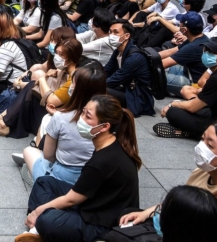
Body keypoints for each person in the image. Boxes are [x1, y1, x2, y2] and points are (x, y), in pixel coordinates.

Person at [16, 95, 141, 242]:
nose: (81, 119)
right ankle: (38, 229)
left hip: (103, 224)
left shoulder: (103, 160)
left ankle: (38, 228)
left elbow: (70, 200)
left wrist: (38, 211)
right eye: (82, 112)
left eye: (87, 116)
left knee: (46, 219)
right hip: (94, 204)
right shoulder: (110, 144)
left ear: (105, 126)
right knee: (44, 182)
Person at [122, 118, 217, 242]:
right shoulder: (206, 170)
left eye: (210, 145)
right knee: (127, 215)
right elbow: (182, 202)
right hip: (190, 227)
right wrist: (146, 213)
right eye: (202, 139)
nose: (201, 147)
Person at [23, 65, 107, 185]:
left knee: (29, 151)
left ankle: (40, 184)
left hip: (62, 179)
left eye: (72, 83)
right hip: (96, 181)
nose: (70, 86)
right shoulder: (112, 119)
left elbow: (49, 156)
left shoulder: (61, 118)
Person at [154, 37, 217, 138]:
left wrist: (173, 104)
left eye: (211, 52)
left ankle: (191, 132)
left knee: (172, 112)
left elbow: (192, 107)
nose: (206, 54)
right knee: (187, 106)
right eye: (205, 50)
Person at [104, 19, 155, 117]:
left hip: (138, 96)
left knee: (99, 90)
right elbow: (107, 70)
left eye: (116, 32)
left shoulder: (135, 57)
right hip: (126, 88)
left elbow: (117, 78)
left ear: (127, 36)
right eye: (110, 31)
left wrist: (92, 84)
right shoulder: (118, 50)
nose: (111, 35)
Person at [159, 11, 209, 97]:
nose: (179, 26)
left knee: (153, 74)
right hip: (187, 71)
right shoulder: (200, 37)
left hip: (192, 82)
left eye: (180, 24)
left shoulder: (194, 47)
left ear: (184, 30)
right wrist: (146, 56)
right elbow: (170, 51)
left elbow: (162, 64)